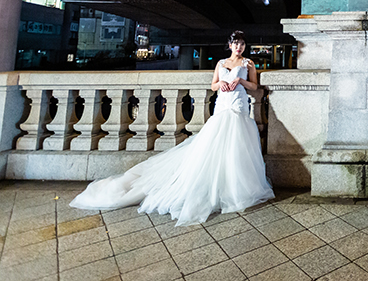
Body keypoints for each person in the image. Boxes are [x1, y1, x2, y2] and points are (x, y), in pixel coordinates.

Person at [71, 31, 274, 225]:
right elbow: (212, 86)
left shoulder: (248, 63)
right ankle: (217, 186)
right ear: (229, 45)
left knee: (237, 147)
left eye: (242, 44)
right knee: (214, 146)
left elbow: (254, 86)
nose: (239, 47)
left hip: (238, 106)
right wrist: (221, 83)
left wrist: (240, 80)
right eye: (236, 43)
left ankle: (234, 186)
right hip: (222, 106)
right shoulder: (221, 63)